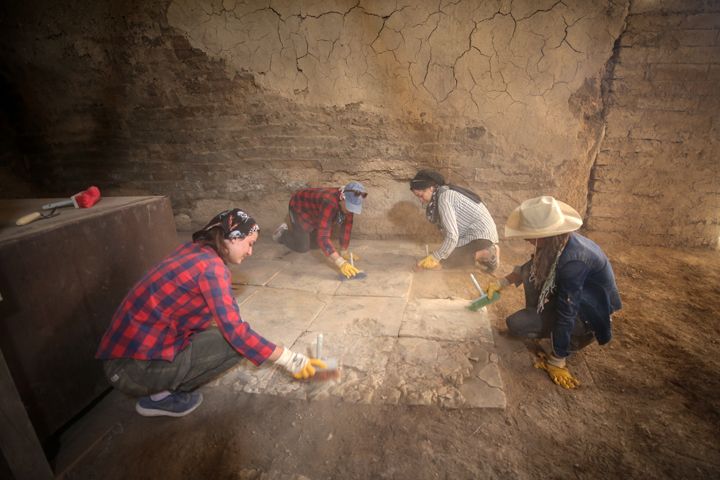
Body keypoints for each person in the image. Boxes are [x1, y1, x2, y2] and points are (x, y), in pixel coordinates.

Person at [96, 208, 326, 417]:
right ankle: (159, 397)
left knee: (219, 333)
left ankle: (158, 389)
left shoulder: (196, 251)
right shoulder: (211, 268)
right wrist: (290, 359)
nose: (251, 252)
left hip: (122, 358)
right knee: (234, 345)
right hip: (131, 371)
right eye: (249, 243)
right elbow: (237, 333)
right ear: (233, 238)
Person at [485, 196, 622, 389]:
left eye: (528, 234)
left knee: (519, 325)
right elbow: (532, 266)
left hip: (589, 314)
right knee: (520, 313)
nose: (525, 238)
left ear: (544, 234)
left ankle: (573, 341)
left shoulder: (575, 261)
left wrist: (557, 360)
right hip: (574, 299)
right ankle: (545, 323)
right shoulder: (557, 242)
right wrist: (503, 282)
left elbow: (568, 311)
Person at [273, 181, 367, 279]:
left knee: (319, 245)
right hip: (299, 206)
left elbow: (347, 225)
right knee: (303, 247)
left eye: (353, 208)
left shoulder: (348, 202)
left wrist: (344, 249)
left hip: (316, 211)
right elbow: (323, 237)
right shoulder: (329, 202)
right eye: (349, 207)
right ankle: (282, 233)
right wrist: (340, 262)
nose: (350, 211)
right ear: (342, 197)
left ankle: (307, 233)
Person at [409, 169, 499, 272]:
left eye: (421, 195)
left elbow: (452, 236)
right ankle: (482, 252)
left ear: (431, 188)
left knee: (447, 260)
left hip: (481, 236)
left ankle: (487, 253)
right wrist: (439, 254)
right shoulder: (443, 193)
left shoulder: (444, 198)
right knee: (445, 254)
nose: (421, 200)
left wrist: (435, 258)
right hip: (474, 236)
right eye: (418, 197)